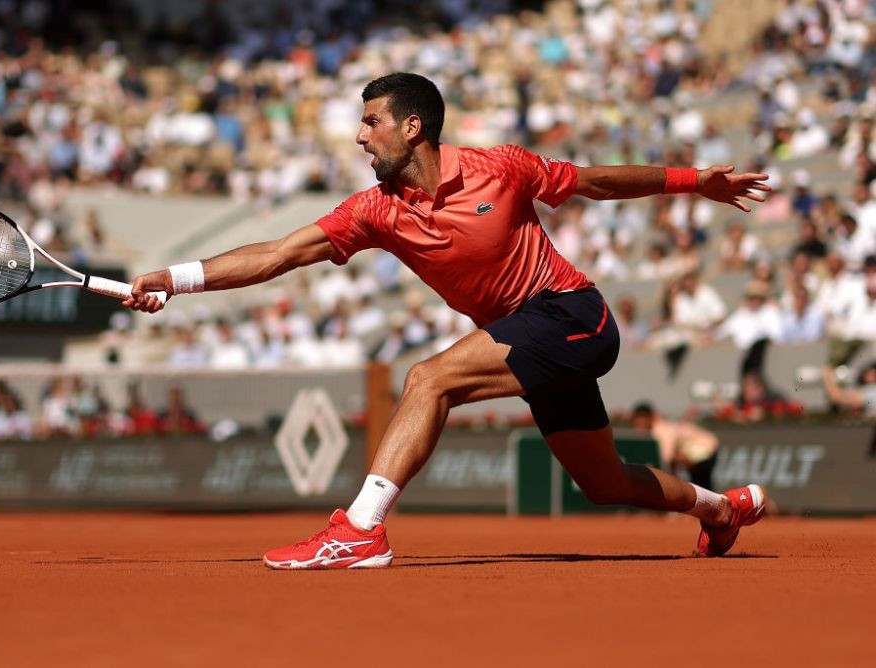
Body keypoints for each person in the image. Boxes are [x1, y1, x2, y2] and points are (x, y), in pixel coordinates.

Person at [123, 73, 771, 569]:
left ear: (411, 127)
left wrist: (693, 182)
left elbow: (594, 182)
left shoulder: (502, 168)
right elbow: (279, 254)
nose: (358, 136)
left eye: (370, 121)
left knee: (429, 378)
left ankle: (361, 530)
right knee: (603, 483)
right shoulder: (374, 211)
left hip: (572, 316)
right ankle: (722, 508)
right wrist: (175, 280)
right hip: (527, 343)